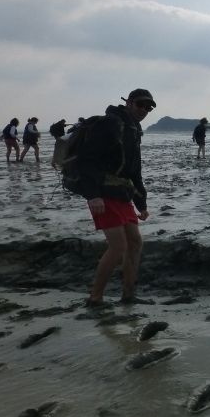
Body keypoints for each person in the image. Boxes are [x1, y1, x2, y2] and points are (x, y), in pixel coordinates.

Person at [77, 88, 154, 306]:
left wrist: (142, 203)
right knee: (118, 246)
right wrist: (92, 195)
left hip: (122, 193)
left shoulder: (134, 129)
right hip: (103, 193)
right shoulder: (109, 123)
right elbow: (86, 160)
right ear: (128, 102)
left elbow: (134, 169)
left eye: (149, 107)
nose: (144, 110)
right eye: (140, 104)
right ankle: (95, 298)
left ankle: (128, 295)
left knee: (135, 242)